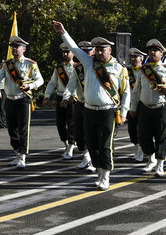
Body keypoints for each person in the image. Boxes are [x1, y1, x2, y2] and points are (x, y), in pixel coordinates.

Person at [52, 21, 130, 190]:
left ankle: (106, 176)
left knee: (105, 145)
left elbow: (126, 92)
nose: (100, 52)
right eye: (98, 49)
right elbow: (74, 49)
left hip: (108, 111)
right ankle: (99, 174)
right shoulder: (88, 63)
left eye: (103, 49)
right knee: (92, 144)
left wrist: (124, 112)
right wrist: (63, 32)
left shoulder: (118, 68)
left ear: (110, 50)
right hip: (88, 110)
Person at [0, 35, 43, 169]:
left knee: (23, 129)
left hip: (23, 100)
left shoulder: (31, 64)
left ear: (24, 48)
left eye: (17, 47)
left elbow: (40, 80)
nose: (14, 49)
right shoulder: (7, 64)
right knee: (12, 129)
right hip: (10, 100)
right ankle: (17, 153)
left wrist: (30, 86)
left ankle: (22, 157)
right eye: (13, 47)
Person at [130, 39, 166, 177]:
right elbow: (136, 90)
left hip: (162, 107)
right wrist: (133, 107)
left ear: (161, 54)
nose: (152, 53)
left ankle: (160, 165)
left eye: (156, 51)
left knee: (162, 137)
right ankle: (150, 159)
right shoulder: (143, 70)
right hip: (145, 108)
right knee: (143, 137)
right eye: (151, 51)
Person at [63, 40, 96, 171]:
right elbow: (71, 84)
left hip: (93, 104)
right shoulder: (77, 68)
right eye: (83, 52)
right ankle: (86, 156)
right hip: (80, 103)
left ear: (93, 52)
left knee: (92, 133)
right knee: (78, 133)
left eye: (88, 52)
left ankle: (94, 160)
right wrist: (66, 97)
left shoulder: (98, 67)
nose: (86, 55)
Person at [43, 43, 77, 159]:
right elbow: (52, 82)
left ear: (73, 53)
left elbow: (80, 84)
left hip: (72, 99)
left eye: (68, 52)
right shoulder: (58, 68)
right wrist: (47, 96)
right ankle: (66, 145)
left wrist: (75, 95)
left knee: (72, 123)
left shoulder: (77, 67)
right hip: (60, 97)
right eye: (64, 52)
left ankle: (71, 148)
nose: (65, 54)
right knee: (60, 124)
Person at [126, 47, 146, 162]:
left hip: (142, 104)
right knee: (132, 130)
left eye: (135, 57)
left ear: (141, 58)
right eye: (132, 57)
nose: (133, 59)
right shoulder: (126, 70)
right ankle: (137, 148)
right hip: (130, 104)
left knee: (142, 129)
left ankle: (141, 151)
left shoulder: (145, 70)